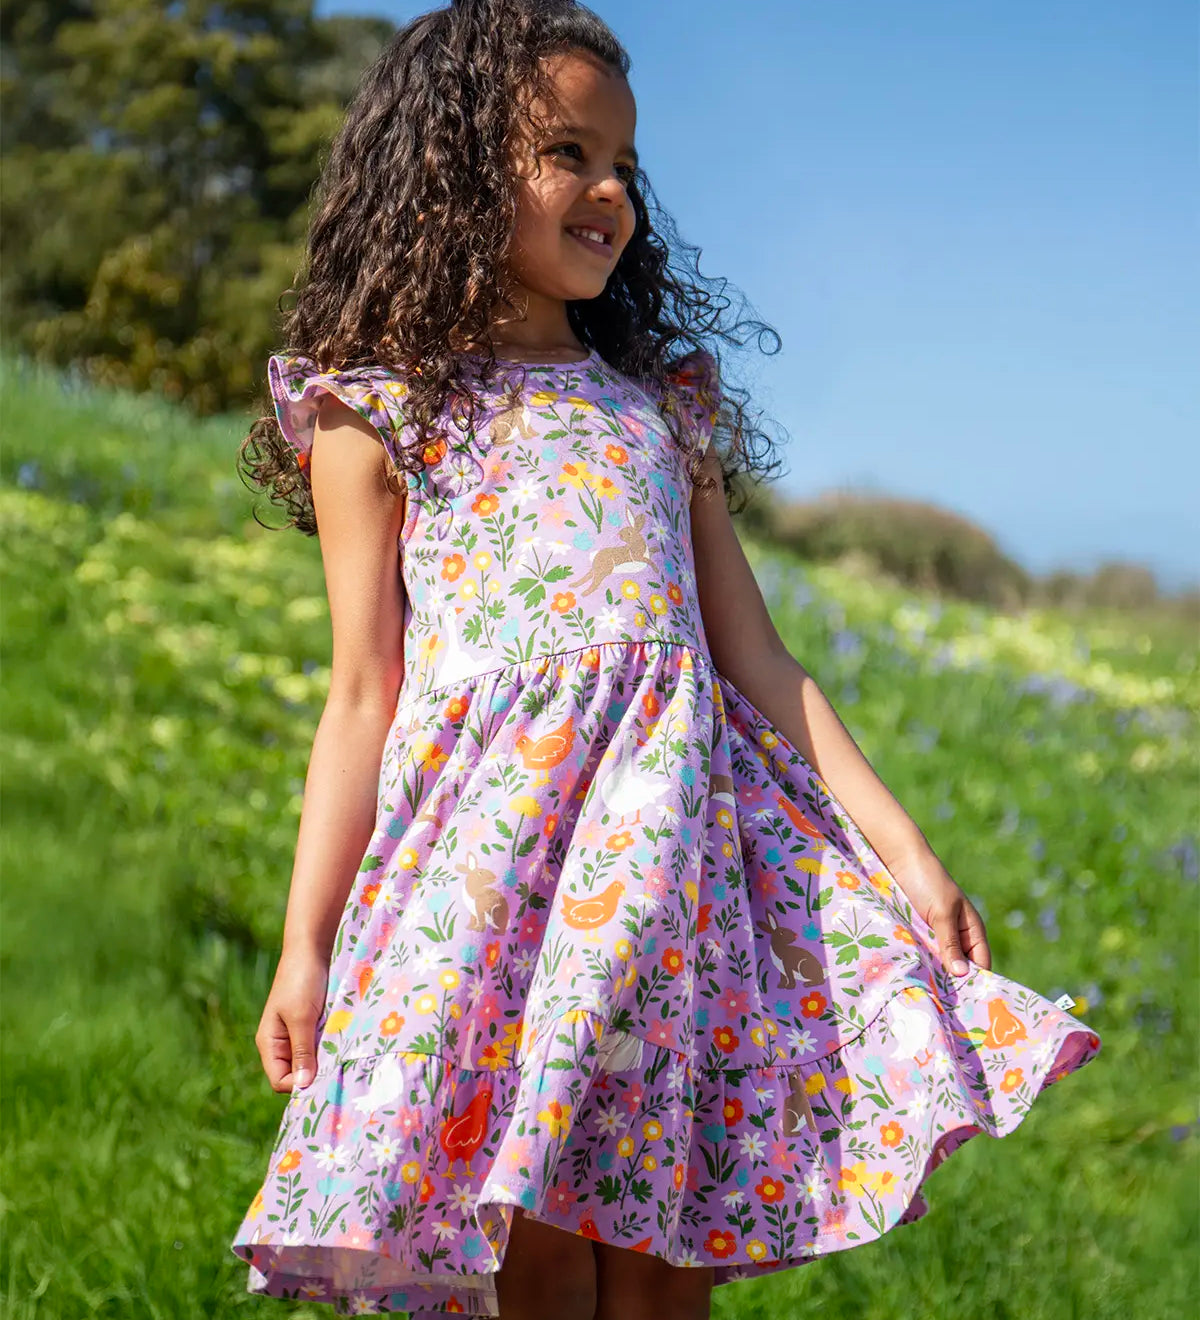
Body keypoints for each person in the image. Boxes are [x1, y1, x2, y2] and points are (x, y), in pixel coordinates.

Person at [229, 2, 1101, 1316]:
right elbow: (363, 693)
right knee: (525, 1234)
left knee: (655, 1248)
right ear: (456, 168)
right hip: (493, 887)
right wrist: (307, 944)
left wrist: (904, 849)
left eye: (624, 165)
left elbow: (756, 656)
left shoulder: (654, 410)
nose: (609, 192)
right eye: (567, 154)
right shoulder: (382, 405)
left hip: (677, 887)